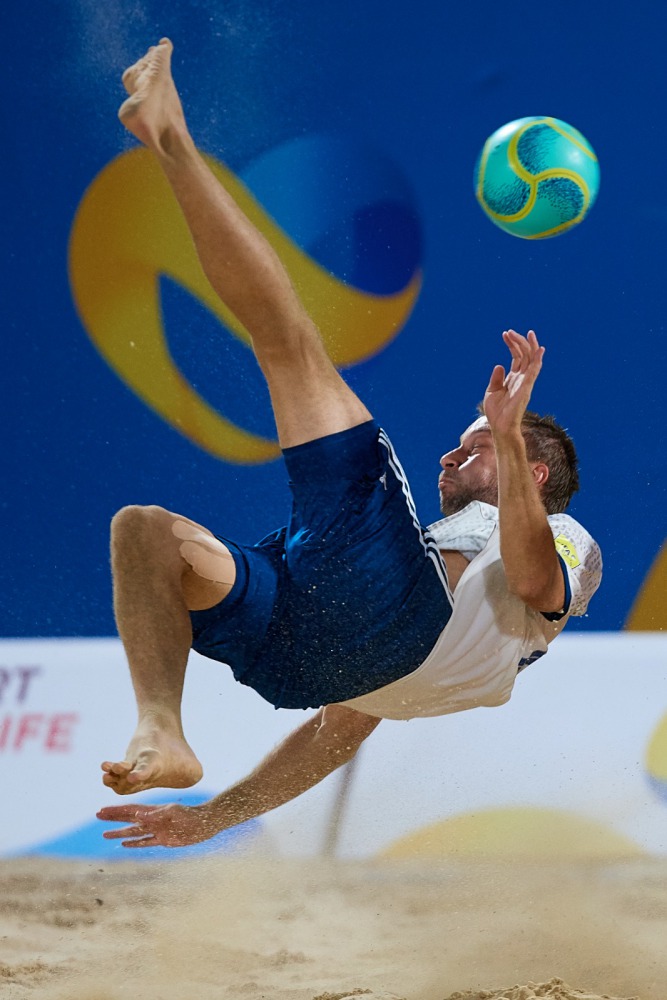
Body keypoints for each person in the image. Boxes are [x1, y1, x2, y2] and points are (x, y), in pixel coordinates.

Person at [97, 39, 602, 849]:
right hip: (316, 661)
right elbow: (336, 733)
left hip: (398, 617)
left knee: (288, 345)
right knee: (145, 533)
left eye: (467, 448)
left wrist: (501, 437)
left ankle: (174, 141)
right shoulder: (437, 567)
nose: (448, 456)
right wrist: (211, 821)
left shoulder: (566, 539)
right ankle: (163, 728)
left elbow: (540, 581)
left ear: (533, 472)